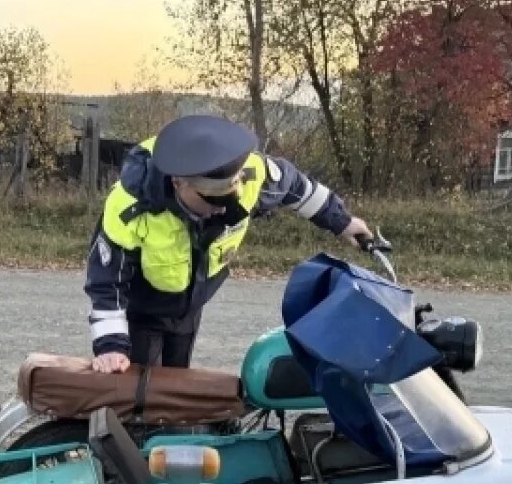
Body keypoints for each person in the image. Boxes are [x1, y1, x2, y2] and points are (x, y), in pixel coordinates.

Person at [84, 113, 372, 373]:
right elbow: (107, 280)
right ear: (178, 182)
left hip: (190, 304)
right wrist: (111, 345)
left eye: (228, 198)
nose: (222, 209)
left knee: (175, 391)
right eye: (211, 199)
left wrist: (343, 222)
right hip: (143, 309)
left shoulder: (250, 173)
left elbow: (296, 187)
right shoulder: (131, 206)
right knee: (140, 398)